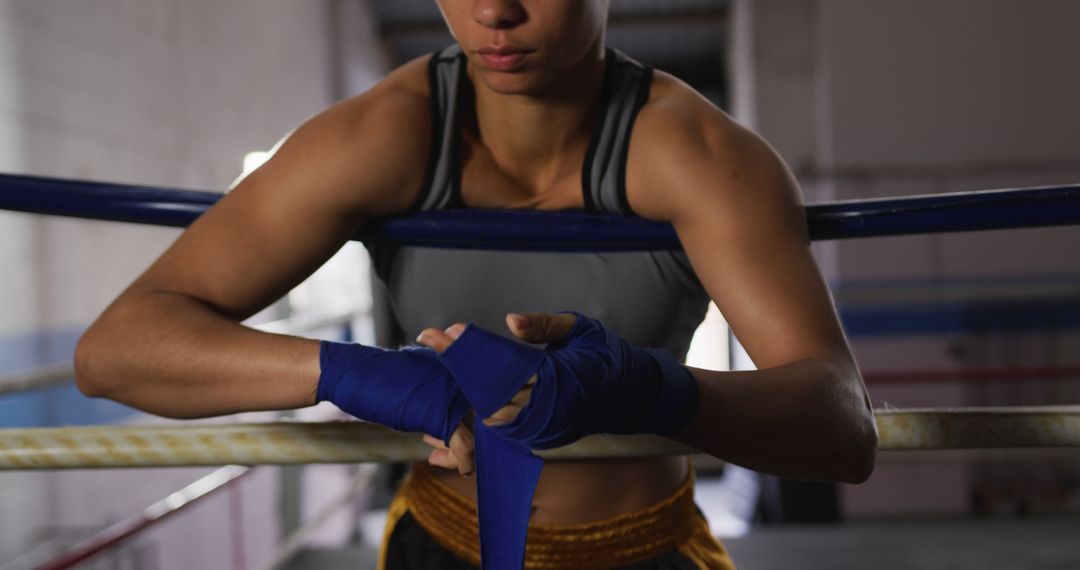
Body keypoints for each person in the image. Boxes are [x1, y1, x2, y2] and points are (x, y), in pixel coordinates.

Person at [74, 1, 878, 568]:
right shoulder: (385, 135)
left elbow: (842, 424)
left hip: (640, 551)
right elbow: (117, 352)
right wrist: (349, 372)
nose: (494, 11)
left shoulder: (694, 152)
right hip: (437, 543)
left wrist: (644, 393)